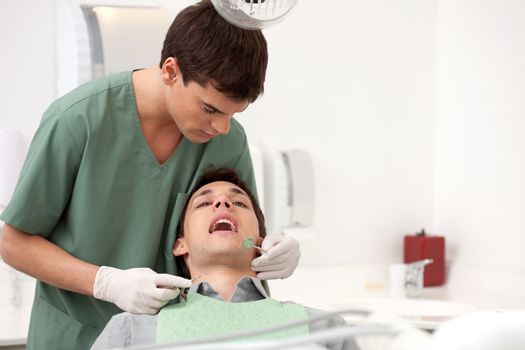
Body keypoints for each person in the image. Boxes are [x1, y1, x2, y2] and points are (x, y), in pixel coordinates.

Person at [0, 1, 300, 349]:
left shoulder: (228, 140)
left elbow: (238, 238)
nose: (222, 127)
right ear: (170, 72)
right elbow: (13, 242)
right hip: (74, 337)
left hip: (170, 337)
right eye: (209, 109)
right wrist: (105, 282)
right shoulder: (77, 121)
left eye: (235, 113)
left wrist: (270, 249)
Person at [91, 167, 359, 350]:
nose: (222, 203)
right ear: (180, 244)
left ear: (261, 243)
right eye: (204, 203)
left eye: (239, 203)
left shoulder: (325, 328)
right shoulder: (130, 330)